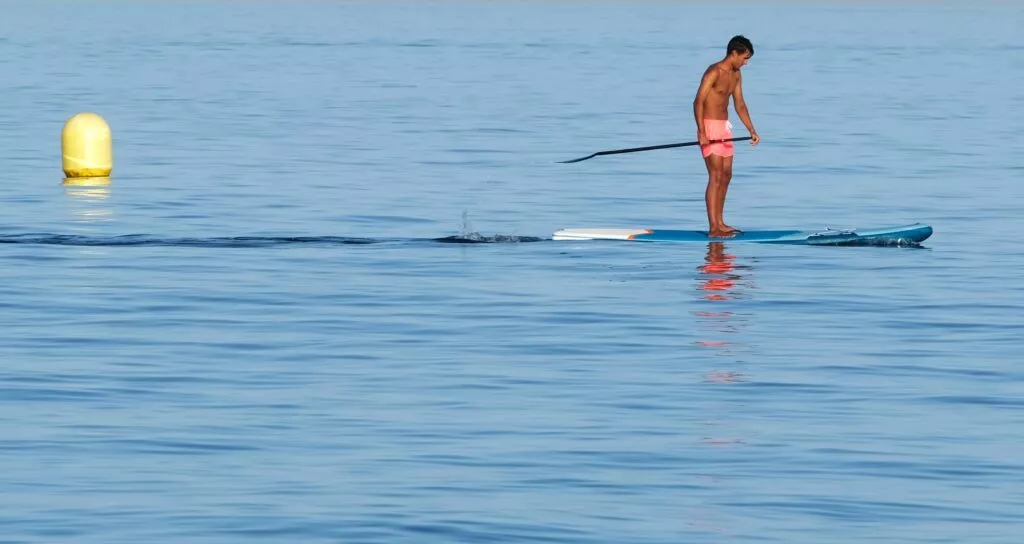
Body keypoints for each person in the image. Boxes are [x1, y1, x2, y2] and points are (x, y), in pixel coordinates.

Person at [693, 35, 760, 238]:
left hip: (725, 129)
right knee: (715, 176)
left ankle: (721, 223)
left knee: (726, 175)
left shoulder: (736, 75)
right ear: (734, 53)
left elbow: (739, 104)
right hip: (709, 128)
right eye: (744, 58)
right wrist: (701, 132)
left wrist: (752, 130)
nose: (746, 63)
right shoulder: (713, 71)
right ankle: (713, 228)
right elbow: (698, 102)